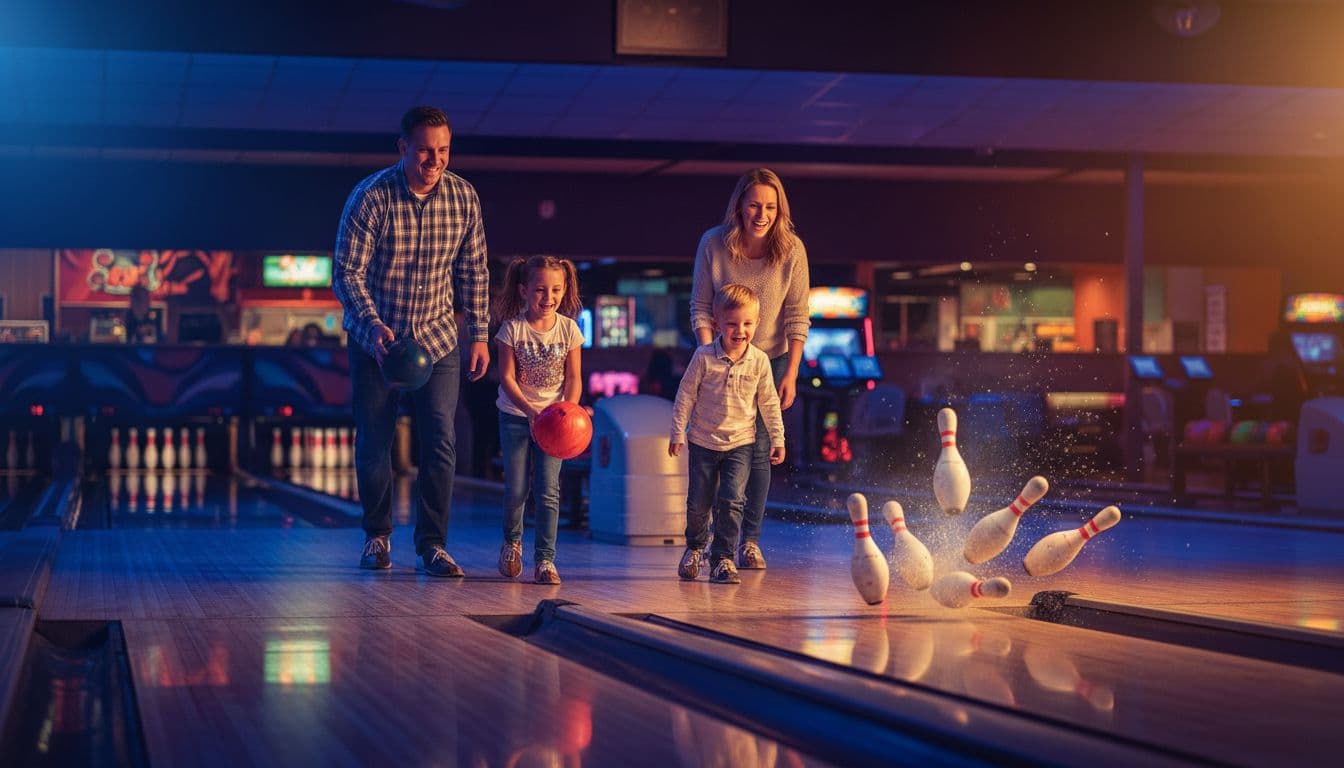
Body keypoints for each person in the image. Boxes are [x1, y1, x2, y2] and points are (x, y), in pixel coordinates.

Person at [334, 105, 490, 577]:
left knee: (440, 440)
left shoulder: (464, 197)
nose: (435, 159)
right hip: (376, 342)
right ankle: (377, 537)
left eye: (443, 150)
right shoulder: (370, 197)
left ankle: (433, 545)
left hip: (439, 337)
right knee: (375, 439)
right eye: (425, 150)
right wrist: (372, 323)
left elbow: (473, 272)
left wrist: (479, 336)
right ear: (403, 147)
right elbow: (346, 273)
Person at [689, 168, 809, 571]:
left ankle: (749, 542)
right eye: (755, 205)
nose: (762, 214)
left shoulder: (791, 250)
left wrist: (790, 372)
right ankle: (702, 539)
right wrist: (711, 355)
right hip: (718, 356)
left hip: (769, 359)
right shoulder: (713, 243)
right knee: (713, 447)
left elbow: (797, 317)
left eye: (770, 207)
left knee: (758, 450)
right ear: (739, 205)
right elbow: (701, 307)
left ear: (780, 211)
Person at [670, 284, 785, 584]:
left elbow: (769, 402)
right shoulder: (704, 356)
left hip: (741, 443)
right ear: (717, 322)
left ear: (757, 323)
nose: (740, 330)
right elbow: (685, 395)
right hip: (703, 442)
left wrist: (777, 438)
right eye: (732, 323)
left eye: (747, 323)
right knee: (698, 502)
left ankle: (723, 558)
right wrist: (677, 432)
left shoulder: (759, 360)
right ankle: (695, 548)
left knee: (732, 500)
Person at [492, 255, 584, 585]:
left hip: (555, 422)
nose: (549, 297)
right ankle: (512, 544)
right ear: (524, 290)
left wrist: (566, 413)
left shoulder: (569, 329)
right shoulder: (511, 329)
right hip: (517, 416)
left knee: (548, 491)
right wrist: (533, 413)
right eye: (540, 290)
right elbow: (506, 378)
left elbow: (574, 378)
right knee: (517, 488)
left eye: (556, 290)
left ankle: (545, 560)